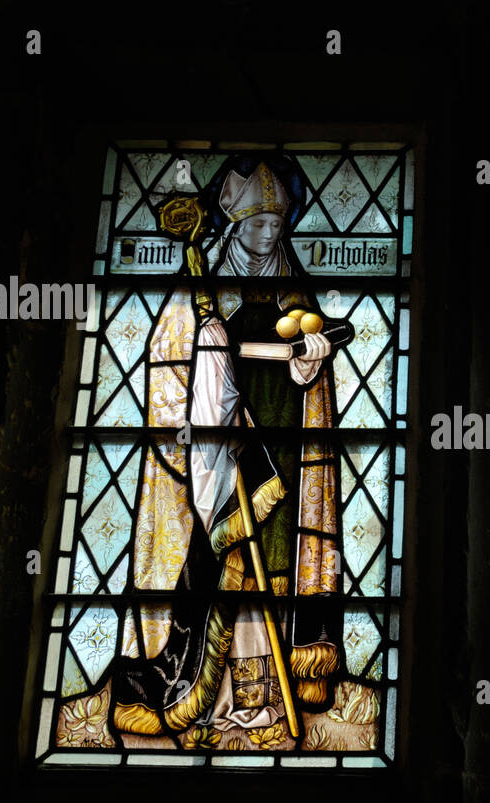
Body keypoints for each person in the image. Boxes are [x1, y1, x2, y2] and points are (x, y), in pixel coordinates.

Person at [109, 158, 346, 740]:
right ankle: (209, 698)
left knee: (278, 566)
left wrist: (310, 359)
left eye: (277, 224)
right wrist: (213, 393)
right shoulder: (199, 297)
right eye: (257, 224)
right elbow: (170, 368)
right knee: (219, 564)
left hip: (285, 450)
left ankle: (267, 699)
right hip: (221, 457)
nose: (269, 236)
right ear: (235, 226)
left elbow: (315, 382)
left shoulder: (295, 290)